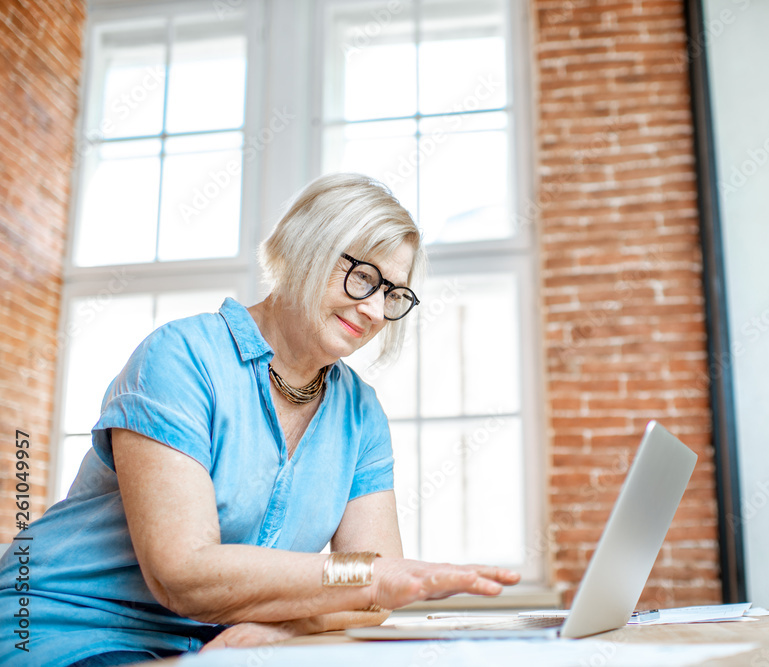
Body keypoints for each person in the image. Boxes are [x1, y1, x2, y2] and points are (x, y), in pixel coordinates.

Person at [0, 174, 520, 666]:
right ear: (303, 248)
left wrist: (288, 628)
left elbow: (373, 601)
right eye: (364, 277)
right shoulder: (181, 357)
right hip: (66, 626)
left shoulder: (361, 415)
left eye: (393, 294)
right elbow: (183, 574)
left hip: (215, 642)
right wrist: (365, 575)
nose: (377, 312)